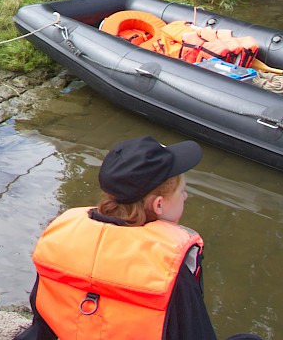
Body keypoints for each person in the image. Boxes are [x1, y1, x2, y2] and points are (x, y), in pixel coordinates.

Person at [16, 136, 262, 340]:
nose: (186, 196)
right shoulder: (169, 268)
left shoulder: (62, 239)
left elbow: (43, 321)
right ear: (159, 205)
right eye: (182, 191)